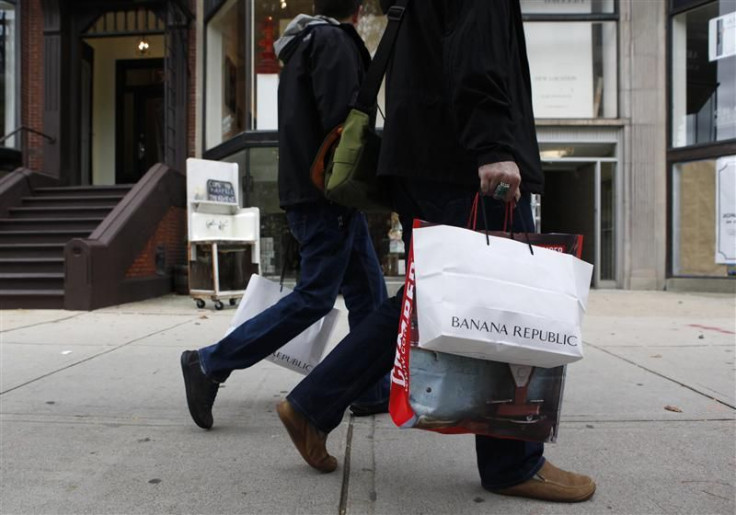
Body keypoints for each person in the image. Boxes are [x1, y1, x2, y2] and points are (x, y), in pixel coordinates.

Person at [275, 0, 597, 503]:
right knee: (506, 294)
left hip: (421, 159)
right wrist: (493, 145)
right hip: (463, 161)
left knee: (424, 298)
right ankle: (513, 462)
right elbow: (478, 53)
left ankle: (312, 405)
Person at [180, 0, 389, 431]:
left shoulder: (305, 42)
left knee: (369, 297)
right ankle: (209, 362)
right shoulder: (331, 40)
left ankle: (370, 388)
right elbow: (344, 126)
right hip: (328, 196)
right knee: (314, 297)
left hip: (322, 195)